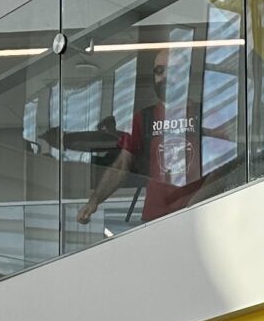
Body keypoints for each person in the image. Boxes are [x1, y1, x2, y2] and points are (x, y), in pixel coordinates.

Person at [71, 49, 206, 234]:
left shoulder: (205, 115)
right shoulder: (143, 118)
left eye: (173, 70)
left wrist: (198, 202)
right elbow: (122, 165)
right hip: (155, 219)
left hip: (197, 217)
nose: (165, 76)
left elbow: (223, 168)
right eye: (159, 71)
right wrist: (94, 201)